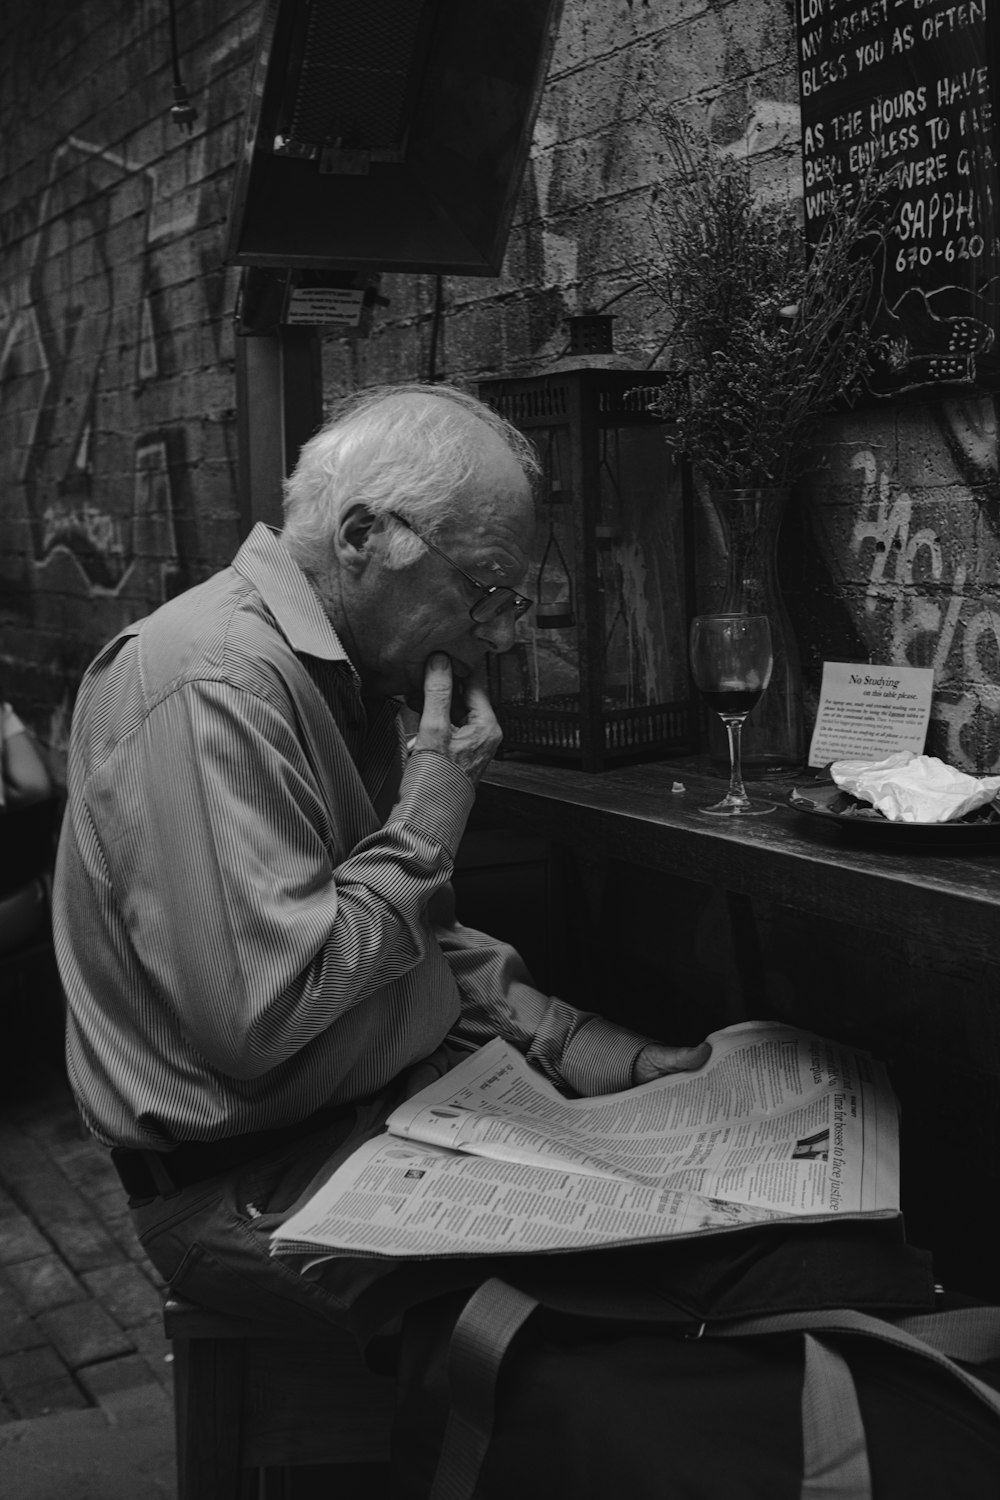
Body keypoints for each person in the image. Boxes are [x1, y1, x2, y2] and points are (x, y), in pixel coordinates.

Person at [53, 382, 710, 1333]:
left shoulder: (340, 676)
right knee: (627, 1316)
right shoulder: (213, 682)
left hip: (372, 1121)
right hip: (246, 1185)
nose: (504, 631)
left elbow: (406, 952)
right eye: (483, 588)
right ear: (362, 536)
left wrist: (582, 1045)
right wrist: (431, 809)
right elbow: (267, 1020)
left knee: (685, 1230)